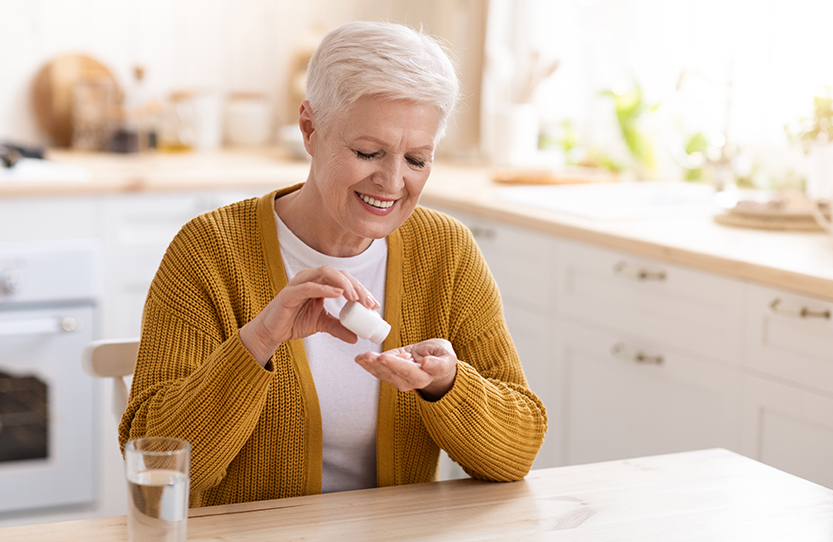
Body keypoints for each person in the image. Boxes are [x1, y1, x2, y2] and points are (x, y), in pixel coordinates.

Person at [119, 20, 547, 508]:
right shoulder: (210, 252)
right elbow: (155, 468)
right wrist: (258, 340)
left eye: (416, 160)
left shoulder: (446, 251)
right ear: (310, 129)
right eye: (368, 152)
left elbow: (517, 453)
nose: (392, 182)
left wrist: (446, 385)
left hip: (397, 540)